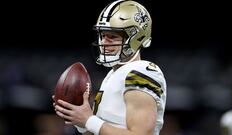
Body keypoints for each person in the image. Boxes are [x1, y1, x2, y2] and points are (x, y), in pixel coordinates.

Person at [53, 0, 167, 135]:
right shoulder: (113, 75)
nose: (104, 42)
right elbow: (101, 130)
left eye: (112, 36)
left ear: (137, 38)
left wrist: (89, 120)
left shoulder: (141, 72)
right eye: (102, 35)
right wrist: (81, 121)